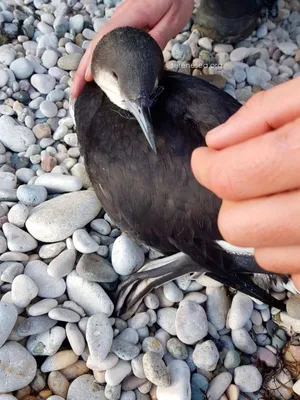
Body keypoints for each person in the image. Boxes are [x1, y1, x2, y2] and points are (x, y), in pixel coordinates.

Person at [72, 0, 300, 289]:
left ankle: (196, 254)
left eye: (147, 87)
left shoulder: (124, 151)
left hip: (259, 219)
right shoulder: (167, 98)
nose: (138, 108)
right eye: (119, 80)